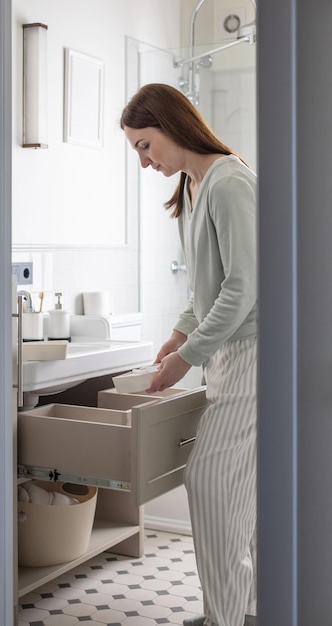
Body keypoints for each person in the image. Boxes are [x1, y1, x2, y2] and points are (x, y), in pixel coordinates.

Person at [120, 83, 257, 626]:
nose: (143, 159)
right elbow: (205, 288)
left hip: (251, 352)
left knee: (210, 480)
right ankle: (241, 610)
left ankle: (227, 617)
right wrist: (181, 334)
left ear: (173, 126)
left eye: (144, 144)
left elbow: (245, 286)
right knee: (242, 490)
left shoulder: (229, 182)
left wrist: (189, 354)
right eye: (136, 148)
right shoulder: (191, 188)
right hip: (226, 353)